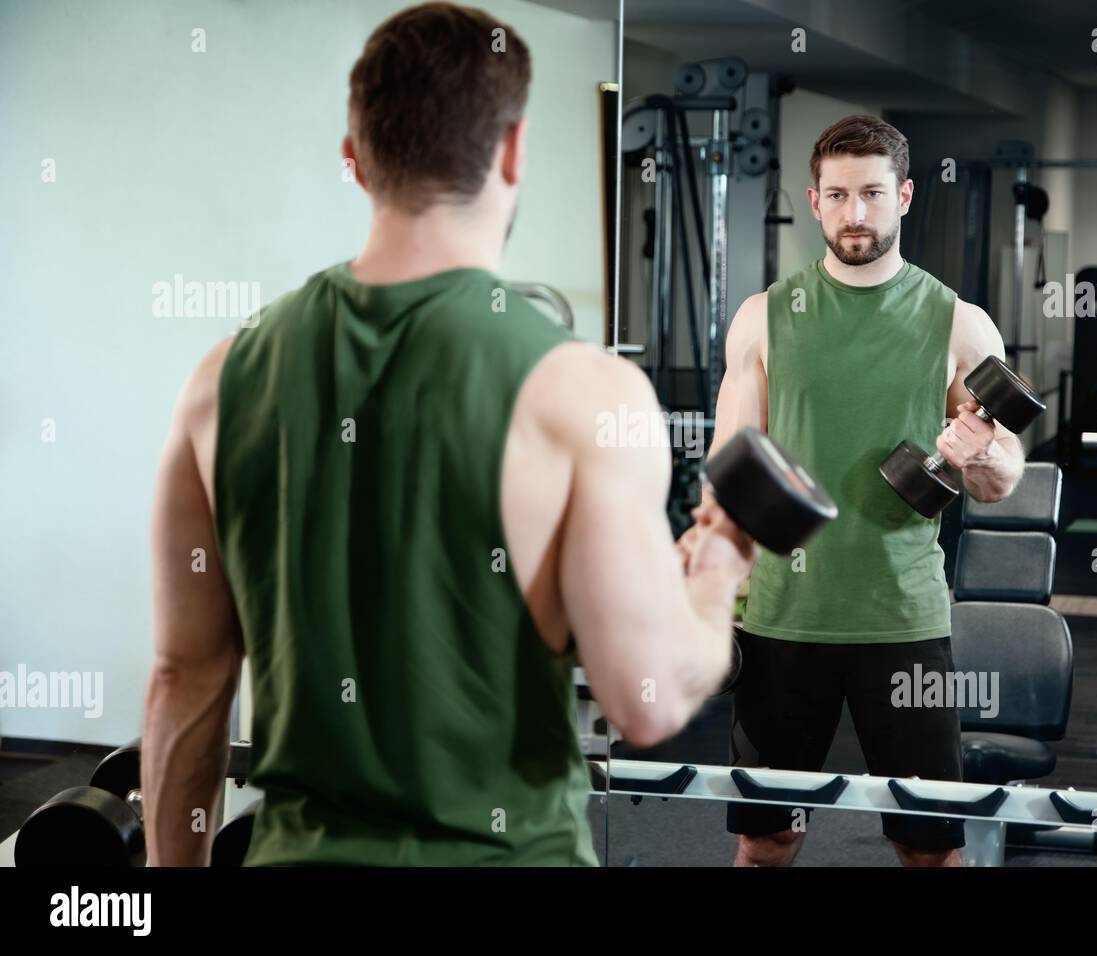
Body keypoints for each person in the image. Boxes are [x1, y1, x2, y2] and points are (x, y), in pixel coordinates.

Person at [142, 1, 754, 867]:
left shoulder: (218, 379)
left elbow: (185, 680)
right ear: (513, 150)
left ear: (355, 160)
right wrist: (720, 570)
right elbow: (644, 701)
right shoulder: (585, 392)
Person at [679, 114, 1026, 867]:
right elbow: (729, 475)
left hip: (902, 621)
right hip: (782, 621)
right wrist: (705, 593)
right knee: (767, 840)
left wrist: (980, 453)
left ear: (903, 196)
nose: (855, 213)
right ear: (814, 201)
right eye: (837, 196)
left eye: (872, 193)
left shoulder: (959, 326)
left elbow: (1003, 480)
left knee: (930, 849)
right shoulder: (763, 319)